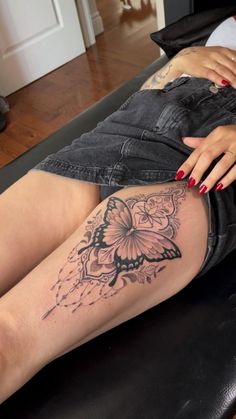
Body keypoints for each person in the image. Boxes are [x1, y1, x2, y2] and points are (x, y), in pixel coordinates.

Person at [0, 16, 236, 403]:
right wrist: (176, 65)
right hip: (131, 124)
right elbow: (156, 86)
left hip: (204, 168)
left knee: (8, 339)